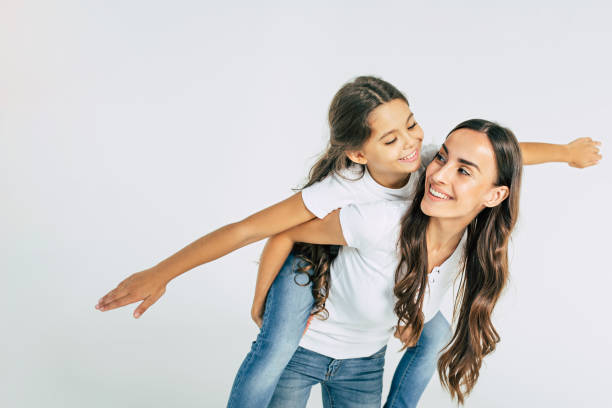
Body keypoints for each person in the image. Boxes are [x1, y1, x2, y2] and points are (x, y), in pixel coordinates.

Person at [95, 77, 602, 407]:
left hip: (365, 326)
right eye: (391, 140)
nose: (414, 149)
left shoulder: (428, 164)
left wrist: (566, 152)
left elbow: (501, 153)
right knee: (274, 349)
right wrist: (165, 274)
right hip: (307, 261)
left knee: (435, 336)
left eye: (412, 127)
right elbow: (255, 229)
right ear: (359, 154)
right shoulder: (349, 196)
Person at [260, 118, 521, 407]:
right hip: (302, 350)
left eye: (463, 171)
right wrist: (263, 304)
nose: (439, 176)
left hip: (363, 363)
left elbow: (516, 158)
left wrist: (565, 153)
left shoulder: (472, 248)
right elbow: (284, 230)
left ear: (496, 195)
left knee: (437, 335)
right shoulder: (379, 222)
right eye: (441, 157)